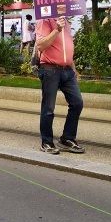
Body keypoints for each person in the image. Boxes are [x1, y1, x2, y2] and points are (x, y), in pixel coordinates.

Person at [35, 16, 84, 155]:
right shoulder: (45, 20)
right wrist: (57, 29)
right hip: (50, 69)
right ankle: (46, 142)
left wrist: (73, 68)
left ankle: (67, 138)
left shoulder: (66, 20)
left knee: (77, 103)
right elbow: (41, 45)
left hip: (67, 70)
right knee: (48, 108)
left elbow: (66, 48)